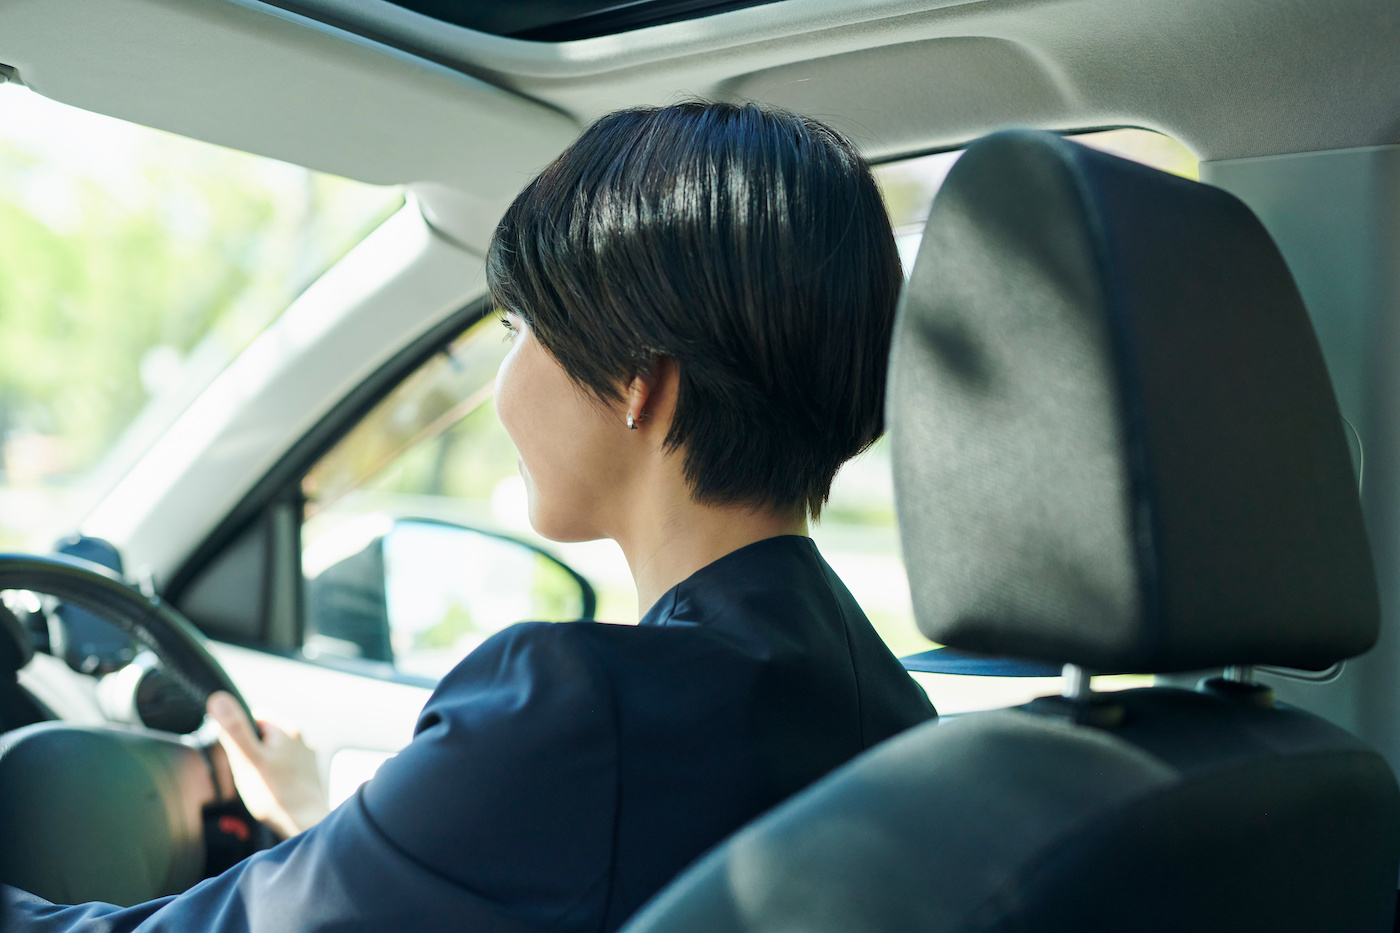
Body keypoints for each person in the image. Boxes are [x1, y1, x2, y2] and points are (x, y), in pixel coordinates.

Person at [3, 101, 935, 932]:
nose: (504, 383)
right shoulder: (896, 714)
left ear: (635, 381)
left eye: (519, 330)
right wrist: (328, 830)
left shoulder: (573, 713)